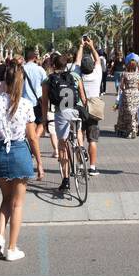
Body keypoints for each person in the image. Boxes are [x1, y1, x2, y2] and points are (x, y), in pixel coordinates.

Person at [0, 62, 43, 262]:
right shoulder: (26, 104)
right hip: (19, 152)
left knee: (5, 199)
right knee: (18, 204)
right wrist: (40, 162)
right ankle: (12, 247)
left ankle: (0, 235)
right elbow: (33, 137)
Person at [42, 53, 85, 195]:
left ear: (53, 65)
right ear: (66, 64)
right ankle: (81, 149)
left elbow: (44, 103)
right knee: (77, 130)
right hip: (75, 111)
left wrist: (44, 120)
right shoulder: (74, 77)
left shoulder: (49, 80)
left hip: (61, 113)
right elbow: (83, 97)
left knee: (62, 144)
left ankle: (66, 180)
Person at [71, 36, 104, 175]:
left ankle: (79, 165)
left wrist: (81, 46)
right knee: (92, 139)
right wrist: (92, 46)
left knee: (79, 135)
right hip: (94, 109)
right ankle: (92, 167)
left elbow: (77, 61)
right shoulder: (97, 74)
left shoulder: (77, 74)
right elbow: (97, 60)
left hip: (80, 108)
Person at [20, 46, 48, 142]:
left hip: (24, 101)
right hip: (37, 101)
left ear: (25, 58)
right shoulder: (40, 70)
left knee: (28, 124)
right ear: (35, 58)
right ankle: (35, 139)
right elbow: (45, 85)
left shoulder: (21, 69)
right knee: (41, 123)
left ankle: (32, 140)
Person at [115, 57, 139, 138]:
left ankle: (128, 130)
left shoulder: (124, 74)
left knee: (126, 112)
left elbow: (121, 85)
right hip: (135, 94)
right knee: (134, 112)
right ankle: (134, 129)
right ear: (136, 67)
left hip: (127, 94)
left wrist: (126, 89)